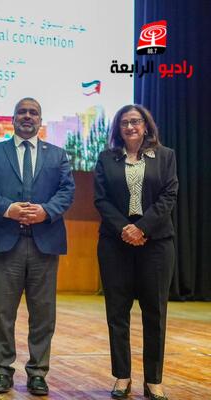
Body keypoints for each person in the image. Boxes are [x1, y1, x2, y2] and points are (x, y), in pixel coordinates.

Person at [0, 97, 75, 396]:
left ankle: (38, 373)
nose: (27, 116)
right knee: (3, 314)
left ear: (40, 120)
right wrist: (8, 208)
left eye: (33, 112)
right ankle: (2, 371)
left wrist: (46, 211)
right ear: (13, 118)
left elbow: (67, 191)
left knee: (43, 314)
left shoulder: (57, 155)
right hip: (6, 243)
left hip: (45, 243)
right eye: (22, 112)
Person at [94, 105, 178, 400]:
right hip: (115, 244)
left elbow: (169, 195)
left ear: (146, 125)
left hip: (156, 244)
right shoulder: (106, 158)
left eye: (135, 121)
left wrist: (142, 228)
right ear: (118, 129)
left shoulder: (165, 156)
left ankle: (153, 380)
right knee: (117, 312)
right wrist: (125, 229)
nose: (130, 127)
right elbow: (101, 200)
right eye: (124, 123)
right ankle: (122, 376)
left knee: (155, 312)